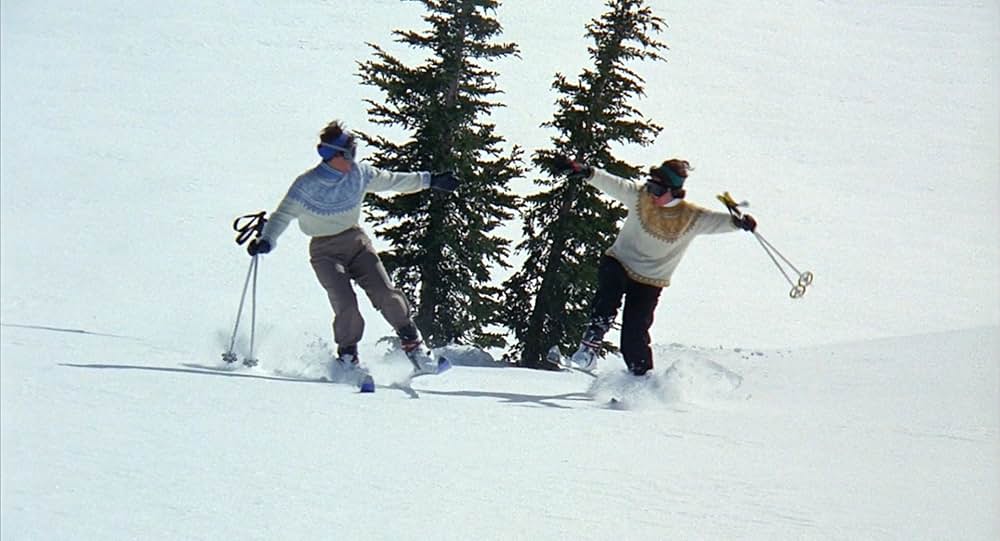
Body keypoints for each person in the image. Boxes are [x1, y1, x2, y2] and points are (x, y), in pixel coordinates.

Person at [248, 120, 460, 373]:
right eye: (349, 154)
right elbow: (282, 215)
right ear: (332, 155)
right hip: (324, 252)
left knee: (386, 293)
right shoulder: (306, 184)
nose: (352, 160)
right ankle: (348, 357)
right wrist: (267, 240)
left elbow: (392, 181)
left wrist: (430, 180)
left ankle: (415, 349)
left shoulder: (360, 174)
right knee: (345, 303)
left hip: (356, 241)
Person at [553, 155, 757, 376]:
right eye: (650, 186)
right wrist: (584, 170)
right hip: (620, 261)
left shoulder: (690, 216)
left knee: (635, 331)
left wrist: (739, 223)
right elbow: (614, 184)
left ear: (673, 191)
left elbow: (718, 222)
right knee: (608, 295)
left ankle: (641, 380)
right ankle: (588, 350)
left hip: (650, 280)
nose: (651, 194)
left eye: (657, 190)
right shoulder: (639, 197)